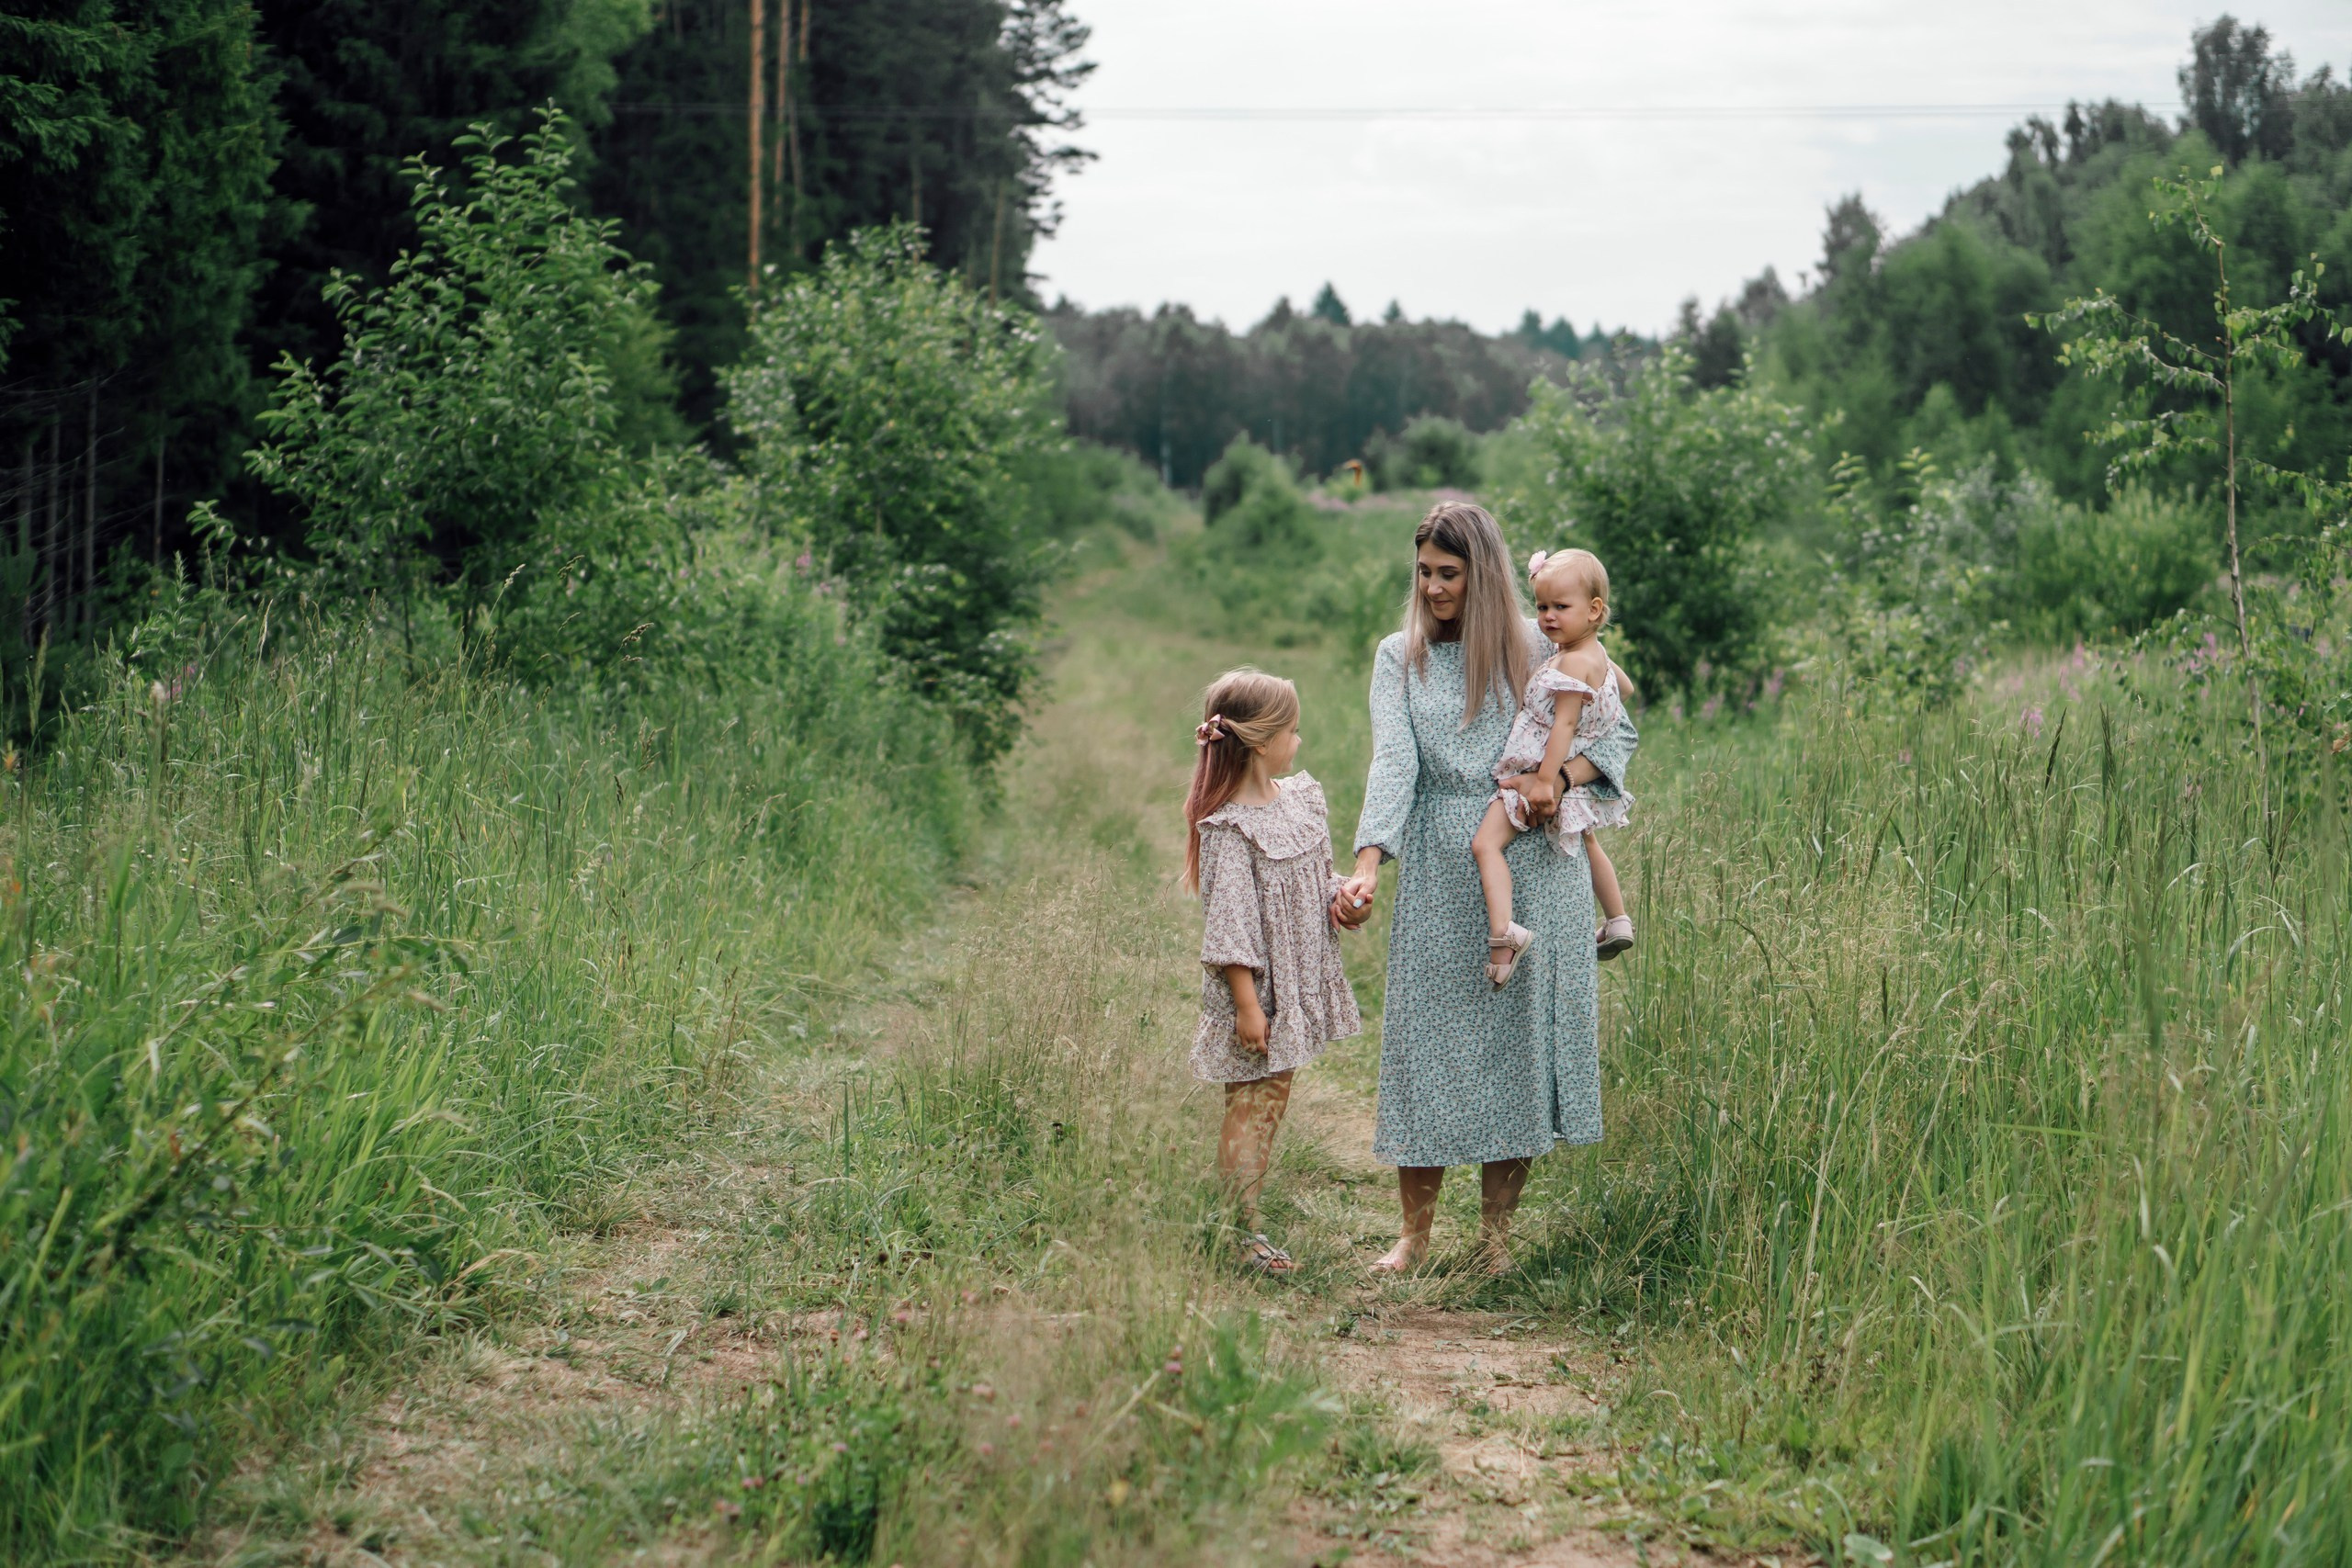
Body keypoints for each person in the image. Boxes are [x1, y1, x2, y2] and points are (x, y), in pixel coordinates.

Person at [1329, 502, 1635, 1275]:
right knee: (1425, 1041)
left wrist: (1558, 776)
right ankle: (1414, 1235)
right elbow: (1394, 764)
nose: (1433, 587)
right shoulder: (1397, 656)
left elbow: (1618, 730)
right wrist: (1368, 862)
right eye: (1424, 572)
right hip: (1441, 857)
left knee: (1516, 1051)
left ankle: (1495, 1242)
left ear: (1484, 573)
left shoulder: (1542, 640)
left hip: (1535, 854)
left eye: (1449, 573)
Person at [1184, 667, 1363, 1275]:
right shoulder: (1230, 828)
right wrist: (1246, 1004)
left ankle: (1245, 1218)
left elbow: (1315, 882)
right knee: (1250, 1104)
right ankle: (1239, 1230)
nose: (1300, 741)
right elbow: (1230, 927)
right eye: (1292, 729)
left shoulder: (1301, 801)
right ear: (1261, 741)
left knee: (1272, 1101)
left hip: (1292, 988)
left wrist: (1343, 898)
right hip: (1259, 995)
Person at [1470, 547, 1637, 987]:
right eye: (1542, 606)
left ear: (1595, 610)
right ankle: (1617, 918)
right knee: (1588, 842)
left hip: (1541, 778)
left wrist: (1545, 781)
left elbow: (1564, 722)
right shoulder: (1594, 655)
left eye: (1561, 607)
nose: (1547, 617)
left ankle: (1504, 933)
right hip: (1576, 785)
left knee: (1486, 844)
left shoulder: (1573, 662)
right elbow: (1626, 688)